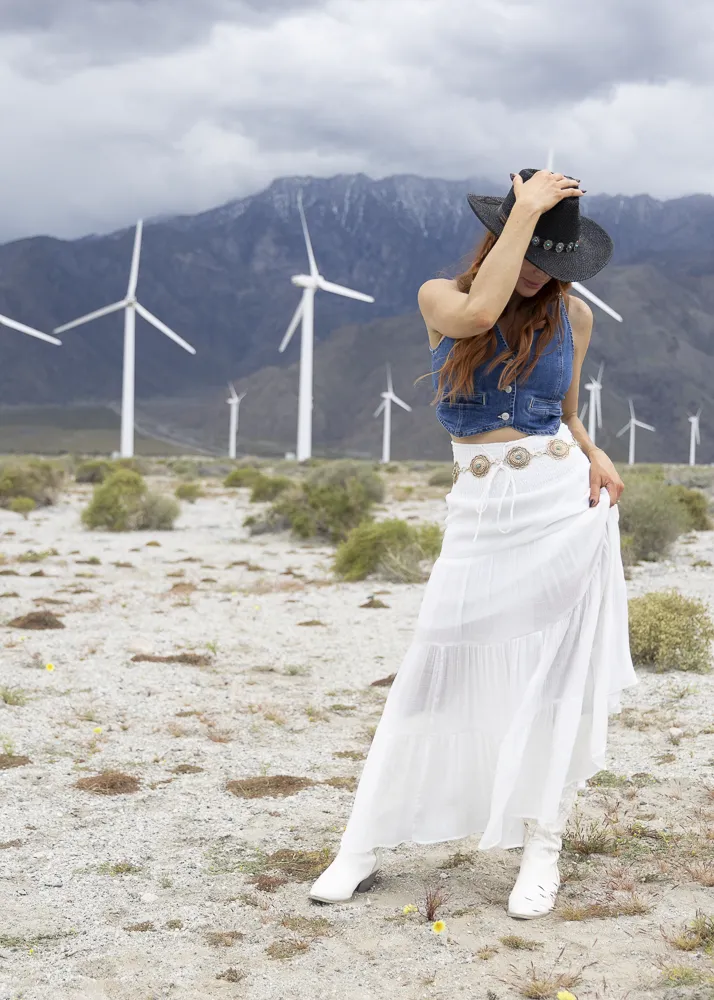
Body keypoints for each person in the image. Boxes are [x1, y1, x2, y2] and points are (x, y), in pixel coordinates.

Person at [309, 167, 638, 919]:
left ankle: (542, 848)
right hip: (481, 507)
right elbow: (482, 308)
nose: (533, 271)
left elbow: (562, 408)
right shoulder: (443, 298)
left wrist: (594, 449)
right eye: (524, 249)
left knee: (550, 682)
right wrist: (522, 213)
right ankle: (361, 844)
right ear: (497, 237)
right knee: (431, 674)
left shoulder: (574, 317)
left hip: (558, 504)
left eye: (547, 260)